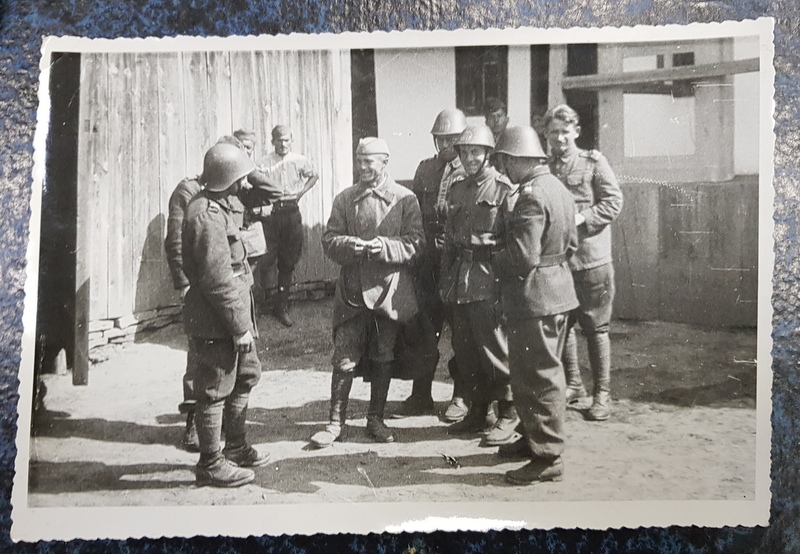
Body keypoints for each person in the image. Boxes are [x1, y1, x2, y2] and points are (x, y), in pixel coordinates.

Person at [311, 137, 424, 448]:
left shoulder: (405, 199)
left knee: (383, 355)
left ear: (384, 163)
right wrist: (351, 245)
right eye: (359, 160)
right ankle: (335, 423)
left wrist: (384, 247)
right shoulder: (345, 199)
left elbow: (416, 242)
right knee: (344, 358)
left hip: (388, 292)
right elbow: (329, 239)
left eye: (368, 161)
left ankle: (376, 419)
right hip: (352, 292)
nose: (362, 167)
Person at [491, 126, 579, 485]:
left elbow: (523, 257)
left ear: (517, 160)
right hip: (557, 292)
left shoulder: (530, 196)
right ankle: (533, 439)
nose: (504, 170)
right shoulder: (557, 188)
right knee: (534, 374)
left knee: (537, 378)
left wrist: (492, 257)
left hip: (534, 299)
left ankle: (548, 457)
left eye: (505, 162)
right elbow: (570, 244)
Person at [182, 143, 270, 487]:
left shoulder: (220, 208)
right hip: (215, 320)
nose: (243, 185)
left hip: (233, 314)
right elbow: (217, 279)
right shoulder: (205, 215)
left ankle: (235, 447)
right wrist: (239, 327)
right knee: (214, 387)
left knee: (245, 377)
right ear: (227, 178)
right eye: (239, 179)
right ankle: (211, 463)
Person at [545, 104, 624, 421]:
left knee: (596, 328)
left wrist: (582, 217)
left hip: (592, 262)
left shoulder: (594, 162)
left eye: (565, 132)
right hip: (559, 262)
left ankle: (602, 393)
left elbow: (613, 201)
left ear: (576, 132)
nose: (559, 139)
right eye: (553, 133)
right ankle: (574, 384)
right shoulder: (547, 168)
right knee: (563, 324)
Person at [440, 124, 517, 446]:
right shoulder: (457, 189)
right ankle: (479, 410)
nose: (470, 158)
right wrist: (446, 282)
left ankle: (509, 413)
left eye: (476, 152)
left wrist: (507, 288)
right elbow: (449, 240)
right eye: (464, 153)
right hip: (462, 278)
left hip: (490, 277)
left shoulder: (503, 190)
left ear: (488, 154)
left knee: (496, 348)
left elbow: (515, 242)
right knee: (467, 350)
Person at [396, 108, 468, 420]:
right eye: (441, 139)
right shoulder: (425, 170)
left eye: (453, 139)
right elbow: (413, 213)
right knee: (424, 330)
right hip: (427, 263)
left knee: (462, 332)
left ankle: (461, 397)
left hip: (459, 263)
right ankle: (421, 393)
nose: (446, 146)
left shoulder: (475, 170)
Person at [253, 124, 319, 327]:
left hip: (291, 212)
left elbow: (314, 176)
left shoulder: (299, 160)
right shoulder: (264, 163)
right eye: (279, 140)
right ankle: (257, 304)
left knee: (288, 261)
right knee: (264, 258)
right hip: (271, 214)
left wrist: (300, 193)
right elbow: (255, 182)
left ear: (291, 140)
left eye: (286, 140)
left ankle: (281, 306)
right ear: (272, 141)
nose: (283, 144)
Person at [164, 174, 203, 451]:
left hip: (229, 284)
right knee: (199, 353)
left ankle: (219, 421)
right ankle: (194, 421)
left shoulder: (238, 189)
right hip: (199, 287)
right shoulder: (189, 191)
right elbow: (176, 240)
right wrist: (184, 283)